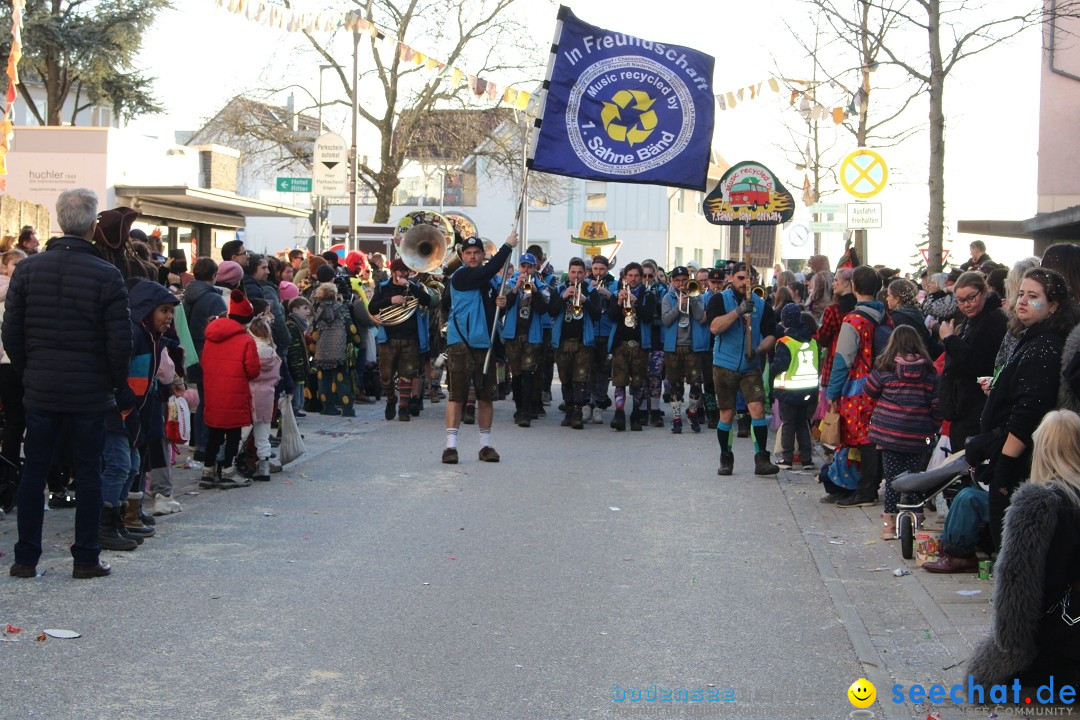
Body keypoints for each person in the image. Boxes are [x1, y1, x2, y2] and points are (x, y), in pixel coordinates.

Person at [5, 188, 131, 579]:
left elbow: (12, 332)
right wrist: (112, 382)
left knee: (35, 471)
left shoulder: (27, 270)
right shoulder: (107, 275)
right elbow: (119, 341)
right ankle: (86, 557)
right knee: (89, 471)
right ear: (93, 226)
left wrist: (30, 371)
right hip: (90, 390)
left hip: (41, 385)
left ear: (60, 222)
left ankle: (26, 557)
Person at [964, 267, 1078, 551]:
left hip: (1020, 464)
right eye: (1021, 295)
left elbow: (1028, 414)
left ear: (1053, 306)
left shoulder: (1045, 345)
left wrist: (1003, 466)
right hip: (1012, 457)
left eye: (1034, 296)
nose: (1023, 302)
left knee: (1012, 545)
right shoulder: (1032, 339)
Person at [967, 409, 1080, 688]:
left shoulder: (1037, 505)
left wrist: (1003, 656)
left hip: (1060, 641)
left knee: (979, 685)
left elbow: (1016, 591)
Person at [442, 232, 517, 464]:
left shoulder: (490, 282)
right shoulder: (462, 275)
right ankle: (450, 447)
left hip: (485, 343)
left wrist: (502, 304)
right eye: (469, 253)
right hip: (461, 343)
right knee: (457, 396)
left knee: (486, 396)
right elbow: (486, 271)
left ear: (483, 255)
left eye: (477, 253)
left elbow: (494, 313)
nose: (473, 257)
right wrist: (506, 246)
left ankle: (485, 446)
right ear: (463, 256)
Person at [863, 325, 942, 540]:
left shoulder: (885, 367)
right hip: (918, 435)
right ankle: (917, 519)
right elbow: (936, 405)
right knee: (916, 477)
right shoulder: (929, 371)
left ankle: (890, 525)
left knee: (892, 479)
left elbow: (869, 390)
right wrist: (932, 427)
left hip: (890, 435)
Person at [706, 261, 779, 476]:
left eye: (748, 278)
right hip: (724, 364)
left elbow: (771, 335)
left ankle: (761, 458)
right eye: (740, 278)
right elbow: (714, 327)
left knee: (756, 408)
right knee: (726, 413)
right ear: (731, 278)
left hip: (750, 365)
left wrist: (757, 350)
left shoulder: (762, 304)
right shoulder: (720, 299)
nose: (744, 282)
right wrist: (738, 311)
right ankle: (726, 457)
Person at [826, 266, 888, 506]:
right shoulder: (886, 315)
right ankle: (866, 487)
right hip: (882, 384)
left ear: (853, 287)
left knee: (863, 440)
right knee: (873, 437)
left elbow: (842, 359)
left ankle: (864, 491)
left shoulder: (853, 319)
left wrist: (833, 392)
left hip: (858, 389)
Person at [937, 271, 1007, 453]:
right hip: (963, 409)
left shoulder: (993, 322)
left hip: (975, 411)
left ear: (983, 293)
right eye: (960, 301)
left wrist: (950, 340)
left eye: (971, 298)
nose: (966, 305)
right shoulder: (974, 319)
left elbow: (978, 366)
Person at [198, 290, 260, 489]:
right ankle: (227, 471)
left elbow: (204, 363)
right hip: (235, 394)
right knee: (233, 434)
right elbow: (253, 371)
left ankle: (207, 471)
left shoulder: (210, 337)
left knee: (214, 433)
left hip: (213, 392)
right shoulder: (246, 340)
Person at [368, 254, 432, 422]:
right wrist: (391, 300)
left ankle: (403, 408)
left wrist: (410, 286)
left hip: (410, 338)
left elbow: (428, 301)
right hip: (388, 338)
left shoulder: (414, 287)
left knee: (407, 374)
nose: (403, 274)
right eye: (400, 271)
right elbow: (372, 308)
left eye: (406, 271)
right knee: (385, 377)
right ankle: (391, 399)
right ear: (393, 272)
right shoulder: (382, 288)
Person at [549, 257, 603, 429]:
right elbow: (551, 311)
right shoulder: (559, 289)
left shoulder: (591, 291)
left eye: (580, 272)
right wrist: (564, 296)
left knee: (580, 379)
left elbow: (597, 315)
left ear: (585, 273)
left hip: (583, 342)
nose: (576, 276)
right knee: (565, 379)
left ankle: (578, 413)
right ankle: (569, 411)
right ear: (569, 272)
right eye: (573, 272)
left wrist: (586, 300)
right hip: (563, 341)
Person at [496, 252, 549, 428]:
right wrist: (516, 288)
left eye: (530, 266)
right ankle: (519, 408)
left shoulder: (541, 286)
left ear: (535, 268)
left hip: (531, 336)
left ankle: (526, 411)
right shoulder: (509, 284)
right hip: (512, 335)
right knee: (517, 375)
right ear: (519, 268)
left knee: (528, 374)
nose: (526, 270)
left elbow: (544, 310)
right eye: (523, 266)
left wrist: (535, 293)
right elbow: (503, 307)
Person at [607, 262, 656, 432]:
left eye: (636, 276)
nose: (633, 279)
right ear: (624, 277)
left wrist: (636, 303)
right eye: (630, 276)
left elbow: (649, 317)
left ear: (642, 278)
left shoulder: (648, 295)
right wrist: (620, 302)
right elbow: (611, 317)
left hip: (640, 344)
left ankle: (636, 414)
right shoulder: (616, 294)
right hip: (621, 344)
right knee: (619, 381)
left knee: (638, 382)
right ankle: (619, 414)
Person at [660, 266, 709, 434]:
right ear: (672, 282)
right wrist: (678, 306)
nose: (681, 284)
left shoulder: (698, 295)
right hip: (673, 347)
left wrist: (692, 300)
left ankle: (693, 413)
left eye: (684, 280)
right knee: (675, 385)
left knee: (696, 383)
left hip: (692, 347)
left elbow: (699, 316)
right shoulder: (668, 297)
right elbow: (666, 320)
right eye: (677, 280)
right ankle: (676, 418)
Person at [771, 306, 819, 470]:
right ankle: (807, 459)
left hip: (789, 391)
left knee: (789, 424)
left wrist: (771, 372)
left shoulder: (786, 342)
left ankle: (787, 458)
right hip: (808, 389)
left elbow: (780, 366)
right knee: (803, 424)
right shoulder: (812, 341)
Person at [310, 282, 363, 417]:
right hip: (339, 349)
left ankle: (327, 407)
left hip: (322, 350)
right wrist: (357, 341)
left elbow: (314, 333)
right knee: (341, 379)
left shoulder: (318, 310)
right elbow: (351, 328)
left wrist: (313, 347)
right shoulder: (342, 309)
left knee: (323, 379)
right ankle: (347, 409)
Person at [0, 248, 26, 514]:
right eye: (14, 264)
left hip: (13, 363)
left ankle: (9, 480)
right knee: (17, 423)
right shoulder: (17, 295)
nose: (19, 268)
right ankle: (9, 481)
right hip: (10, 364)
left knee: (15, 424)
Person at [246, 302, 282, 482]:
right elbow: (277, 378)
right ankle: (264, 467)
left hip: (249, 394)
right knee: (263, 432)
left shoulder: (249, 350)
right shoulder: (273, 354)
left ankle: (229, 464)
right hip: (267, 396)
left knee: (243, 432)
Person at [586, 255, 616, 424]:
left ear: (607, 270)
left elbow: (618, 305)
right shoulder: (586, 282)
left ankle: (599, 405)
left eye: (602, 269)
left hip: (606, 331)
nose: (598, 272)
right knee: (590, 370)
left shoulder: (615, 283)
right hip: (591, 331)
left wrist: (608, 295)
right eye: (595, 269)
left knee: (603, 371)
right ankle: (588, 403)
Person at [284, 297, 312, 417]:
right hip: (296, 366)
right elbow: (293, 350)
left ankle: (297, 408)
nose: (308, 312)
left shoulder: (299, 326)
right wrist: (297, 368)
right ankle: (294, 410)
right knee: (296, 390)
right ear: (295, 310)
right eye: (305, 308)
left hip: (300, 366)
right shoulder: (292, 326)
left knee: (299, 388)